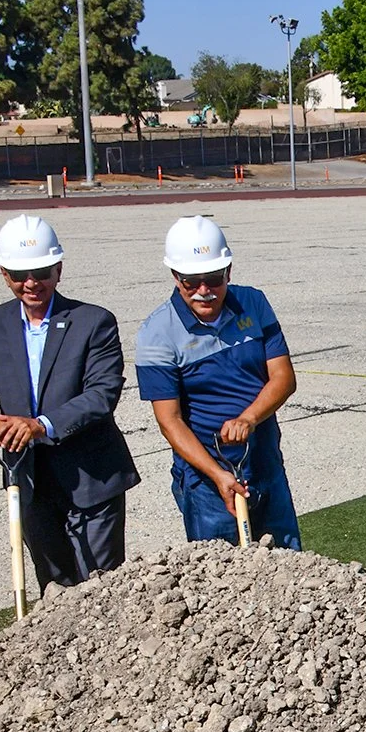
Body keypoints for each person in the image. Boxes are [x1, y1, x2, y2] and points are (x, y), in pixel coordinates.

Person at [0, 215, 137, 590]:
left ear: (58, 268)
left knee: (100, 588)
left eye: (41, 271)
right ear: (4, 274)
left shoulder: (94, 321)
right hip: (30, 480)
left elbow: (102, 394)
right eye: (19, 274)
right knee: (53, 588)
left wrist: (40, 425)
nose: (31, 283)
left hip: (92, 479)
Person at [136, 215, 301, 549]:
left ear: (228, 271)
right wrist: (217, 475)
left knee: (288, 569)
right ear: (175, 276)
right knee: (222, 579)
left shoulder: (253, 303)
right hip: (206, 480)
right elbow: (170, 421)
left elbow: (283, 377)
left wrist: (248, 418)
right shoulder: (156, 332)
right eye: (190, 282)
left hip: (263, 461)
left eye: (213, 279)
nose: (204, 291)